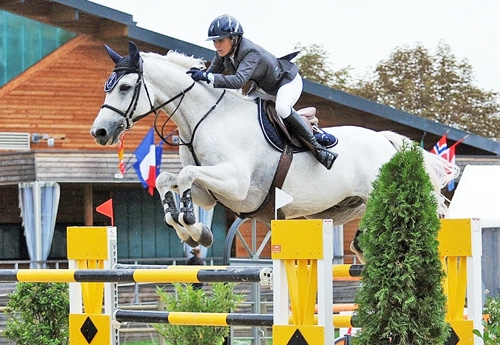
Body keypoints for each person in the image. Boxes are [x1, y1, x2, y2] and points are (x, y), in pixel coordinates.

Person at [186, 14, 337, 170]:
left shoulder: (251, 51)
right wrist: (196, 76)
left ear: (235, 38)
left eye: (221, 40)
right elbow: (210, 74)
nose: (217, 45)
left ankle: (318, 148)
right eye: (214, 41)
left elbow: (238, 81)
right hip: (264, 87)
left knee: (282, 108)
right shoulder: (222, 54)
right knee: (243, 109)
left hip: (286, 82)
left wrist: (208, 76)